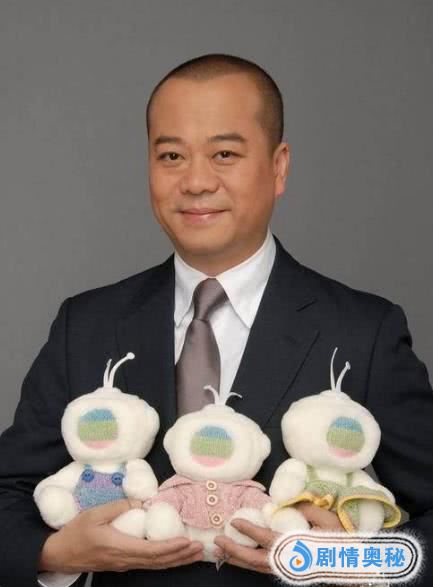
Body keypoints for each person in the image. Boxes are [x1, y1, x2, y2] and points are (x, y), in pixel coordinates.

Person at [0, 54, 432, 587]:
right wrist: (55, 552)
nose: (196, 181)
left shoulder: (364, 332)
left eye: (224, 154)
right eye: (171, 156)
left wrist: (340, 562)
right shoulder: (87, 324)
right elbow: (8, 494)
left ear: (279, 167)